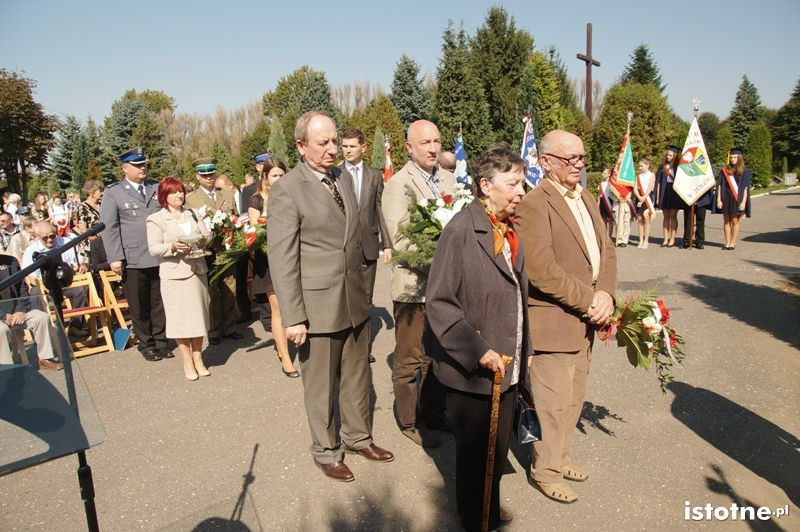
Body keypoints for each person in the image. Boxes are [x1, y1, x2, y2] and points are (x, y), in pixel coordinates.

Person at [268, 111, 393, 482]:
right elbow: (282, 258)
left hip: (354, 298)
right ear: (300, 145)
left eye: (335, 141)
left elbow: (357, 234)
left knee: (357, 376)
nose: (333, 149)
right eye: (322, 142)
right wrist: (293, 316)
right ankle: (326, 451)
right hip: (317, 306)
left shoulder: (342, 178)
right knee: (321, 386)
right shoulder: (288, 189)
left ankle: (358, 437)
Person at [425, 145, 529, 531]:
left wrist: (526, 347)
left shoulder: (509, 227)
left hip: (507, 360)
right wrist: (477, 349)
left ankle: (489, 504)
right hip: (474, 368)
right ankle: (475, 520)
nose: (521, 191)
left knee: (496, 451)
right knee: (474, 457)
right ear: (486, 186)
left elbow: (517, 293)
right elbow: (439, 302)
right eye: (513, 184)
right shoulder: (460, 230)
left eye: (522, 183)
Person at [515, 130, 617, 504]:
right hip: (555, 321)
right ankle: (546, 472)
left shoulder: (586, 197)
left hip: (587, 319)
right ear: (545, 162)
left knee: (574, 399)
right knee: (552, 404)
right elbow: (541, 270)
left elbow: (607, 250)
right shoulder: (534, 204)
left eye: (581, 157)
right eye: (569, 158)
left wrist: (606, 294)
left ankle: (561, 458)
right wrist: (590, 300)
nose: (578, 164)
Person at [381, 119, 457, 448]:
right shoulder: (398, 185)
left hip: (446, 290)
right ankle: (410, 421)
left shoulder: (450, 179)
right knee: (410, 359)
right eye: (425, 142)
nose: (433, 148)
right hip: (414, 288)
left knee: (437, 356)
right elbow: (403, 241)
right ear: (409, 147)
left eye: (437, 141)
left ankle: (434, 414)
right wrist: (444, 269)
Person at [100, 147, 171, 362]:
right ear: (124, 168)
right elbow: (110, 227)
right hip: (133, 257)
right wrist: (115, 257)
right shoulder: (114, 192)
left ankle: (161, 341)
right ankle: (146, 343)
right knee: (139, 304)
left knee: (160, 301)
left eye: (144, 164)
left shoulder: (156, 187)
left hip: (159, 254)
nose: (142, 168)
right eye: (137, 165)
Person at [147, 177, 212, 381]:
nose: (179, 195)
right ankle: (187, 361)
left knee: (198, 317)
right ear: (164, 196)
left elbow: (207, 236)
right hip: (174, 275)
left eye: (181, 191)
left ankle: (198, 358)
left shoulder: (193, 213)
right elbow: (153, 248)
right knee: (180, 320)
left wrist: (204, 236)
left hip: (197, 271)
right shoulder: (156, 219)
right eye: (174, 192)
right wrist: (172, 247)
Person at [339, 128, 392, 364]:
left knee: (366, 298)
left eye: (352, 146)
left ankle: (362, 348)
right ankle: (345, 348)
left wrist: (387, 244)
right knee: (345, 297)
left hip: (369, 245)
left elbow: (380, 209)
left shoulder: (374, 175)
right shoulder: (335, 173)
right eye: (344, 146)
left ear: (364, 147)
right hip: (343, 246)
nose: (347, 150)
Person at [247, 156, 298, 378]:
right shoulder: (257, 200)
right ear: (265, 177)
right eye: (274, 175)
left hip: (292, 257)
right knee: (278, 308)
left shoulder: (292, 195)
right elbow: (253, 233)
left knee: (292, 305)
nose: (279, 179)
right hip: (268, 261)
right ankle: (285, 357)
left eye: (282, 175)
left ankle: (292, 343)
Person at [185, 157, 242, 345]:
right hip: (206, 250)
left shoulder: (227, 194)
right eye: (204, 175)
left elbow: (234, 217)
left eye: (211, 174)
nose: (208, 177)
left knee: (230, 287)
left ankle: (230, 327)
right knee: (211, 291)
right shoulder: (191, 199)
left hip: (226, 248)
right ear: (197, 176)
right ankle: (214, 330)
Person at [0, 254, 62, 370]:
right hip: (1, 316)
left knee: (41, 318)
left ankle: (45, 359)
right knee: (1, 330)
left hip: (16, 311)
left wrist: (20, 311)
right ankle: (6, 369)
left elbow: (22, 288)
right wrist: (2, 315)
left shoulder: (11, 261)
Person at [714, 147, 752, 250]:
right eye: (731, 157)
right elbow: (720, 185)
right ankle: (727, 242)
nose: (732, 159)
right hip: (725, 199)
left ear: (739, 158)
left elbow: (746, 188)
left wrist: (743, 202)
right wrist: (718, 199)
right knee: (726, 221)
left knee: (735, 221)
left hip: (737, 199)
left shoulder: (745, 171)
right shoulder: (725, 170)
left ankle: (733, 242)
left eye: (735, 157)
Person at [655, 145, 682, 247]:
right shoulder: (662, 167)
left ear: (675, 155)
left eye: (670, 155)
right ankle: (665, 239)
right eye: (667, 155)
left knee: (673, 216)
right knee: (665, 216)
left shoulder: (678, 167)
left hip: (674, 192)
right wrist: (658, 197)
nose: (668, 157)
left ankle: (672, 238)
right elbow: (658, 183)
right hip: (664, 192)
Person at [634, 158, 656, 248]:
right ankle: (641, 240)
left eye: (641, 166)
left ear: (647, 165)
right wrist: (639, 197)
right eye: (639, 166)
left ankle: (646, 240)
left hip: (647, 198)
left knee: (646, 219)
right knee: (640, 219)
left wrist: (643, 198)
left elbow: (650, 188)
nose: (640, 168)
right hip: (639, 198)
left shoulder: (651, 175)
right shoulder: (638, 176)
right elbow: (635, 188)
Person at [597, 168, 615, 241]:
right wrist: (598, 205)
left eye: (604, 173)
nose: (603, 174)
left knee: (610, 220)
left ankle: (609, 237)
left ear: (609, 174)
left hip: (610, 202)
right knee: (603, 220)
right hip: (602, 202)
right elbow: (599, 196)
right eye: (603, 173)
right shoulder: (601, 184)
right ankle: (604, 236)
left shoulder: (612, 184)